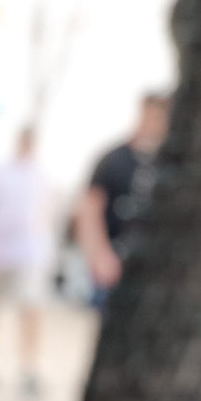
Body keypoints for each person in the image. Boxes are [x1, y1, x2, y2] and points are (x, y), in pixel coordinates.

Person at [0, 127, 52, 397]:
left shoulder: (41, 175)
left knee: (30, 309)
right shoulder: (0, 173)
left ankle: (29, 367)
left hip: (28, 254)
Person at [75, 92, 172, 298]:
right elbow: (89, 209)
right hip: (114, 264)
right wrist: (99, 255)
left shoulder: (168, 164)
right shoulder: (114, 159)